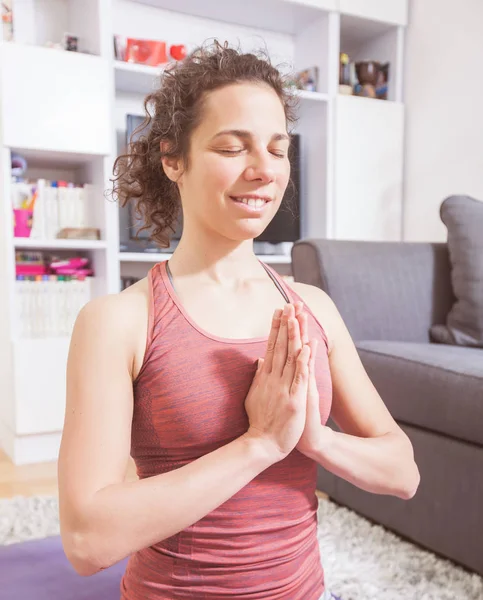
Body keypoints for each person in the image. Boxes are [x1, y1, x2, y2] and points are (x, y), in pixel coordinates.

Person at [57, 40, 420, 600]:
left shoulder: (314, 308)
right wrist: (259, 444)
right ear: (172, 158)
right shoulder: (118, 321)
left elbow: (402, 472)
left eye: (278, 150)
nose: (263, 170)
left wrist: (315, 440)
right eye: (233, 147)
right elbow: (87, 539)